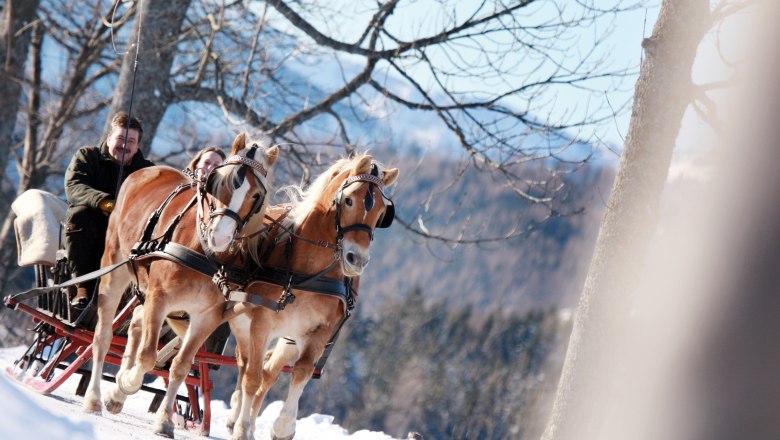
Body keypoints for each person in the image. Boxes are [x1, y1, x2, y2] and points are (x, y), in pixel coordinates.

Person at [64, 112, 155, 307]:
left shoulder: (148, 172)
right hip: (93, 226)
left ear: (137, 146)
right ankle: (83, 288)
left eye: (131, 141)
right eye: (120, 138)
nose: (124, 145)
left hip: (130, 232)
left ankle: (146, 297)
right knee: (79, 215)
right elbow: (75, 187)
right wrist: (106, 203)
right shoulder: (87, 156)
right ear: (109, 138)